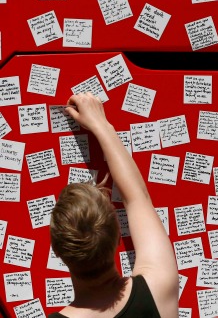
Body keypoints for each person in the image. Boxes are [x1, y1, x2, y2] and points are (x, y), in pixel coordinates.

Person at [48, 93, 179, 318]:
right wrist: (100, 124)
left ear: (57, 251)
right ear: (118, 235)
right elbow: (137, 197)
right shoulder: (158, 287)